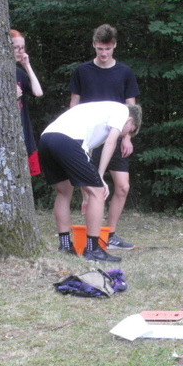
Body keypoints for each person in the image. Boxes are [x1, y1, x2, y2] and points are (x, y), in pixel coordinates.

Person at [38, 101, 143, 262]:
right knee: (98, 192)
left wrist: (88, 193)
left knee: (63, 192)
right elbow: (111, 142)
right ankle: (93, 249)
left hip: (46, 138)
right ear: (129, 121)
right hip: (69, 140)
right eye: (130, 131)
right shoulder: (122, 110)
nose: (125, 136)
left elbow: (84, 158)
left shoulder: (96, 112)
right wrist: (99, 178)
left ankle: (65, 246)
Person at [68, 24, 140, 250]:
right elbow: (74, 104)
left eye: (108, 49)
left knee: (122, 187)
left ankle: (110, 234)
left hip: (116, 135)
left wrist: (128, 138)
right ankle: (91, 236)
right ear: (93, 44)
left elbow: (131, 110)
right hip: (88, 137)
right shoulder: (82, 71)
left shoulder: (125, 72)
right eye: (100, 48)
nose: (104, 53)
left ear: (114, 46)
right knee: (90, 190)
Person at [10, 29, 44, 176]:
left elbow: (38, 92)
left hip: (23, 129)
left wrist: (27, 66)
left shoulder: (20, 73)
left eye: (22, 47)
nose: (20, 51)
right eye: (16, 47)